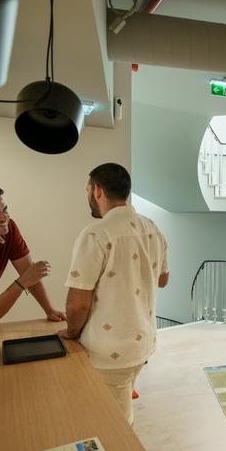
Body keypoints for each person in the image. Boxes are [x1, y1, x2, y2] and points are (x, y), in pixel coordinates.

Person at [59, 163, 169, 424]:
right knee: (119, 410)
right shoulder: (152, 227)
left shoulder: (96, 233)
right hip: (143, 343)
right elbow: (163, 280)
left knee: (114, 424)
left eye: (88, 190)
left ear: (97, 190)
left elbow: (78, 304)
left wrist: (71, 332)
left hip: (108, 351)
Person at [0, 182, 65, 368]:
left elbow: (28, 271)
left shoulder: (8, 229)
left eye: (4, 209)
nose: (4, 217)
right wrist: (21, 283)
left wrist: (49, 310)